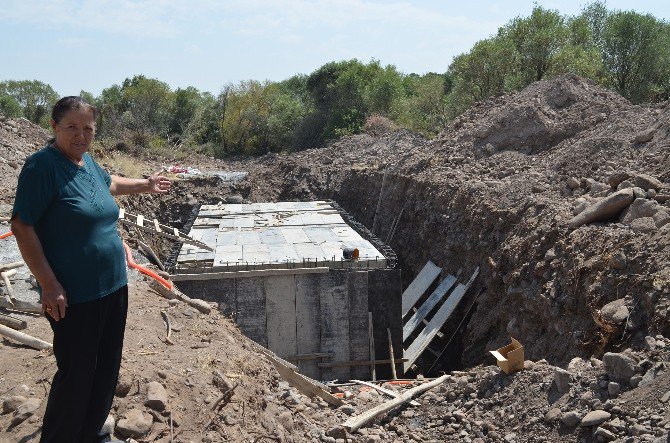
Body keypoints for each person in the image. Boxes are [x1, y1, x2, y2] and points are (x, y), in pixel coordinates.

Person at [11, 96, 171, 442]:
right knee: (77, 375)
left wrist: (146, 184)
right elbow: (22, 226)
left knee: (105, 369)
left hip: (113, 286)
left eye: (88, 128)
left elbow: (110, 183)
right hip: (74, 295)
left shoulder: (86, 162)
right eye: (71, 127)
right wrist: (48, 283)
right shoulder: (43, 166)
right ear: (54, 127)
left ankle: (92, 433)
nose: (81, 135)